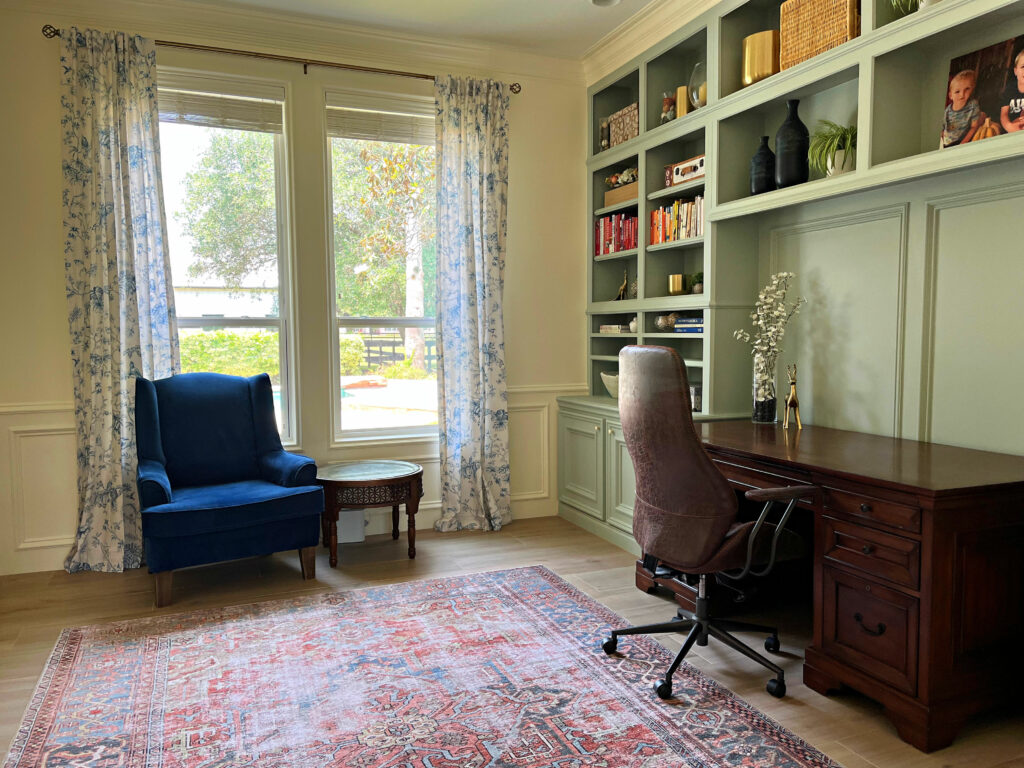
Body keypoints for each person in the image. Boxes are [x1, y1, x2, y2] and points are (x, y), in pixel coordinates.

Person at [942, 69, 984, 147]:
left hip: (963, 142)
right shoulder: (947, 110)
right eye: (957, 91)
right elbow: (942, 129)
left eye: (967, 89)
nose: (962, 95)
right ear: (950, 96)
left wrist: (963, 144)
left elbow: (974, 127)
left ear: (972, 89)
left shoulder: (973, 105)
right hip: (948, 143)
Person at [1000, 49, 1024, 133]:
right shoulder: (1010, 90)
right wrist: (1009, 126)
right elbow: (1004, 114)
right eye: (1023, 67)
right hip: (1013, 128)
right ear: (1015, 71)